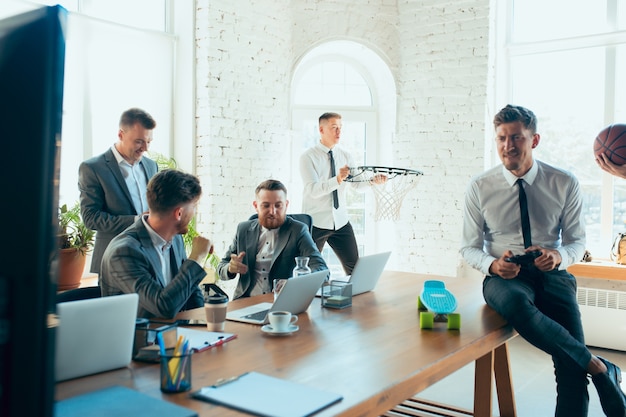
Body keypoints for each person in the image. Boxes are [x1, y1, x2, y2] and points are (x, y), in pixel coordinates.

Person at [460, 104, 626, 417]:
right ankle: (601, 368)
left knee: (570, 372)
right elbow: (468, 247)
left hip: (553, 273)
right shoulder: (480, 186)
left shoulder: (564, 182)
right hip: (504, 276)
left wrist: (558, 255)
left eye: (516, 138)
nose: (508, 146)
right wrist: (493, 265)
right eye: (501, 138)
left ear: (534, 140)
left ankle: (589, 370)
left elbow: (577, 242)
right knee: (519, 306)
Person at [100, 169, 212, 319]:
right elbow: (162, 307)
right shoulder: (123, 252)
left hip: (175, 334)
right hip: (140, 339)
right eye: (194, 207)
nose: (194, 213)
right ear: (178, 213)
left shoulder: (175, 238)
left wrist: (206, 323)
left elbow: (190, 292)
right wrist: (196, 258)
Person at [299, 112, 385, 275]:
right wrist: (337, 179)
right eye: (334, 128)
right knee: (307, 273)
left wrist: (373, 181)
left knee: (356, 271)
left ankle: (357, 300)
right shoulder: (307, 157)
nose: (339, 132)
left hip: (340, 221)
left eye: (340, 128)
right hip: (316, 222)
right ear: (321, 130)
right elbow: (313, 190)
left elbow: (356, 185)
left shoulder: (345, 156)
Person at [78, 108, 158, 275]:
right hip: (112, 259)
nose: (145, 148)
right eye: (139, 141)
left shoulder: (151, 166)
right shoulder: (93, 168)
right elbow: (91, 218)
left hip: (150, 258)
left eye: (149, 142)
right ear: (120, 134)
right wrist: (138, 221)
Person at [217, 179, 327, 299]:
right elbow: (221, 267)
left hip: (282, 302)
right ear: (256, 206)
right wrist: (230, 268)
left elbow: (321, 270)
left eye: (278, 205)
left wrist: (294, 284)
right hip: (245, 302)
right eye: (266, 205)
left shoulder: (298, 230)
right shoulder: (243, 229)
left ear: (286, 205)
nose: (272, 211)